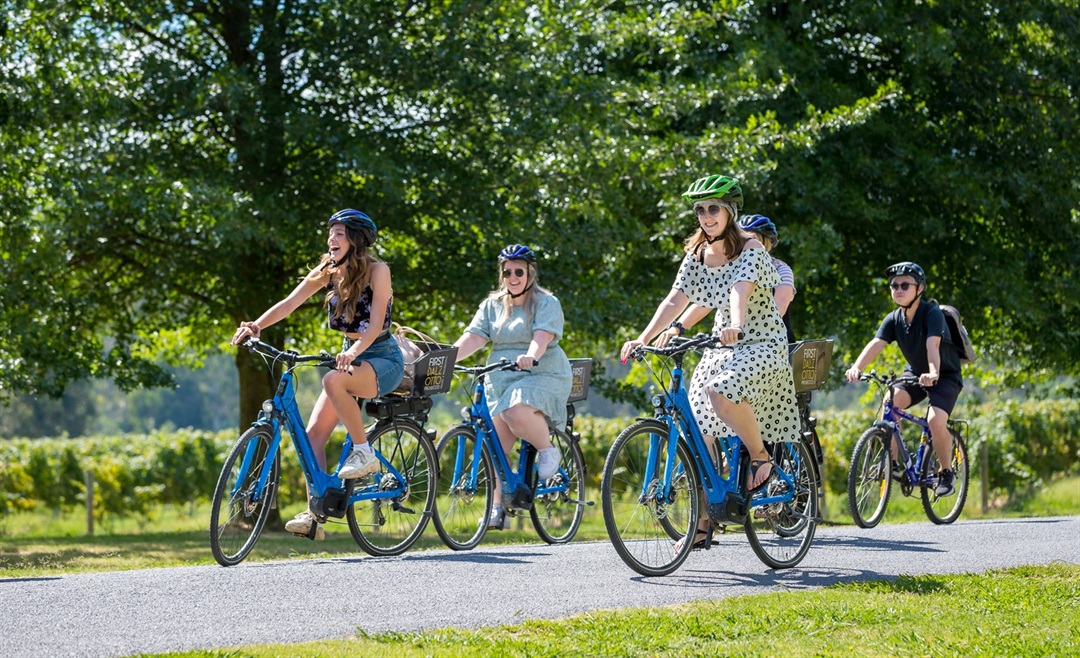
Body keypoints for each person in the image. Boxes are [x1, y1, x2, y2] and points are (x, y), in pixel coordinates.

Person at [620, 174, 800, 552]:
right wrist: (646, 336)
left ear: (731, 210)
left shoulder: (751, 247)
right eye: (700, 209)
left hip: (761, 342)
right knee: (696, 430)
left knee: (719, 393)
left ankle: (762, 457)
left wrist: (735, 323)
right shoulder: (699, 252)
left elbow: (739, 291)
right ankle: (702, 522)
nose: (705, 215)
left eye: (713, 208)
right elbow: (677, 297)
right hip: (721, 345)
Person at [231, 209, 404, 539]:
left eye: (339, 234)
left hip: (382, 358)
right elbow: (290, 303)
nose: (331, 240)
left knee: (331, 379)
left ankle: (363, 452)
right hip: (349, 359)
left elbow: (378, 322)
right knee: (312, 440)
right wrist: (256, 325)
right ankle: (317, 513)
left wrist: (353, 352)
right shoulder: (329, 270)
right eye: (330, 234)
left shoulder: (379, 271)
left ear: (357, 240)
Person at [452, 244, 573, 530]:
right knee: (497, 446)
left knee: (516, 410)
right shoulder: (492, 305)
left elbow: (541, 338)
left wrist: (531, 354)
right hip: (501, 377)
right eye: (507, 272)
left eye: (519, 271)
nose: (512, 277)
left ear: (531, 273)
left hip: (542, 373)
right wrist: (445, 357)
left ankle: (546, 450)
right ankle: (496, 509)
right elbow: (474, 338)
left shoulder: (546, 302)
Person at [844, 262, 963, 496]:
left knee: (935, 420)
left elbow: (933, 346)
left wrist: (933, 372)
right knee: (890, 403)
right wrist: (856, 367)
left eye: (905, 285)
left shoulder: (931, 313)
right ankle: (892, 462)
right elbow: (876, 344)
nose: (898, 289)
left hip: (945, 374)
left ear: (919, 289)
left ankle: (946, 472)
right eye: (894, 285)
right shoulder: (894, 318)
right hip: (916, 373)